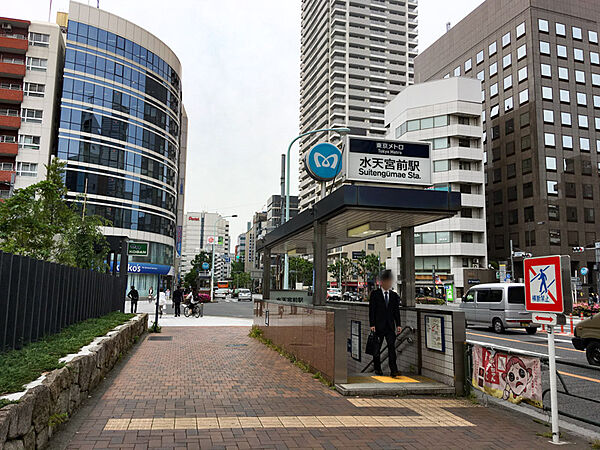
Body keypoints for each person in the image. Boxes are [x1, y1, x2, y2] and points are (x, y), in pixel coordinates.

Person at [369, 270, 402, 377]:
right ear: (381, 282)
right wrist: (372, 324)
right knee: (377, 349)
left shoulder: (393, 295)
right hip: (378, 326)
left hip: (390, 326)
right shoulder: (375, 294)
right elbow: (372, 310)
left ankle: (394, 370)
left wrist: (398, 324)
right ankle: (377, 368)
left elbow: (396, 311)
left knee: (391, 347)